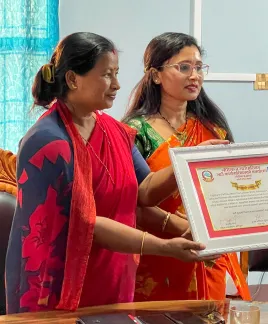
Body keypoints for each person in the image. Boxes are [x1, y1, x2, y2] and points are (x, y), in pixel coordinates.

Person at [4, 32, 219, 314]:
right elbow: (85, 224)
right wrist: (164, 247)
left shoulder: (114, 131)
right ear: (72, 79)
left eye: (116, 73)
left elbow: (142, 192)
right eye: (107, 75)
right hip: (59, 286)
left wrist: (189, 163)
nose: (117, 84)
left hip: (114, 277)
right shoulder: (47, 142)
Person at [122, 32, 250, 302]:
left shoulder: (212, 128)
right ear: (156, 75)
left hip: (210, 252)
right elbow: (133, 202)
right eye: (184, 67)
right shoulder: (135, 131)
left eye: (198, 67)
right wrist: (184, 229)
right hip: (160, 250)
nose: (195, 76)